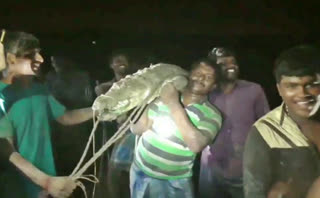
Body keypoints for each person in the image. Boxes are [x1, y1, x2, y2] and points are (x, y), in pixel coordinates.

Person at [0, 31, 94, 198]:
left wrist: (99, 109)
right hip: (16, 184)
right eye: (31, 55)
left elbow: (65, 117)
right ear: (10, 58)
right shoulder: (2, 97)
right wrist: (45, 181)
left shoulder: (39, 89)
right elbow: (6, 149)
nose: (41, 59)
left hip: (46, 177)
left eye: (39, 52)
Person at [130, 58, 222, 198]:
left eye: (208, 77)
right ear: (189, 74)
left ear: (214, 86)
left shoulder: (212, 115)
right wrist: (148, 97)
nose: (201, 78)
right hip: (140, 172)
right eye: (198, 73)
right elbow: (137, 129)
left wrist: (173, 103)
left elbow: (196, 144)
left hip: (174, 182)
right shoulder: (162, 97)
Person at [243, 45, 320, 198]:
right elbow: (254, 193)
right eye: (292, 86)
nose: (302, 94)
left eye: (311, 84)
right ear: (279, 89)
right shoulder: (265, 132)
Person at [199, 47, 270, 198]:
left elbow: (266, 125)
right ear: (213, 69)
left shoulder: (254, 90)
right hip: (211, 168)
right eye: (223, 63)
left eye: (233, 62)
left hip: (246, 168)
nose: (231, 66)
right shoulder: (205, 93)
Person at [95, 49, 141, 198]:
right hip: (120, 133)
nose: (121, 63)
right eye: (117, 60)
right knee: (114, 169)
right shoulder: (104, 87)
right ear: (111, 65)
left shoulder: (139, 84)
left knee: (138, 171)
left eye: (124, 60)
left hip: (141, 131)